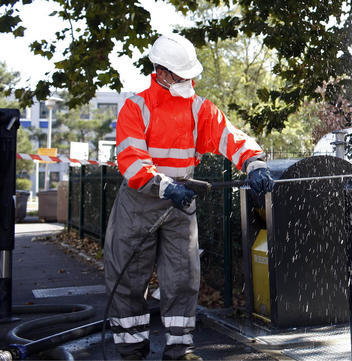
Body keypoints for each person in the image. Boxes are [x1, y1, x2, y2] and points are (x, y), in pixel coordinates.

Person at [104, 33, 274, 361]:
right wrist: (167, 187)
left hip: (180, 201)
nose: (190, 80)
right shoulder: (136, 107)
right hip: (141, 201)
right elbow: (132, 160)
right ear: (162, 73)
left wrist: (254, 163)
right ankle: (131, 351)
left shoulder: (198, 109)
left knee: (183, 276)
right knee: (127, 277)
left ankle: (179, 351)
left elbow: (230, 136)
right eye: (184, 74)